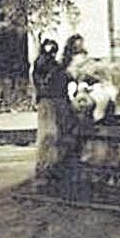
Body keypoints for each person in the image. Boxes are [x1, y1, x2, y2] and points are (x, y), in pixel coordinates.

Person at [31, 39, 75, 184]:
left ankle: (54, 168)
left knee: (57, 136)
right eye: (49, 51)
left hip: (57, 101)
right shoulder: (43, 64)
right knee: (49, 137)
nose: (51, 55)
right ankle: (46, 170)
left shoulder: (51, 65)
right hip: (49, 102)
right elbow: (46, 80)